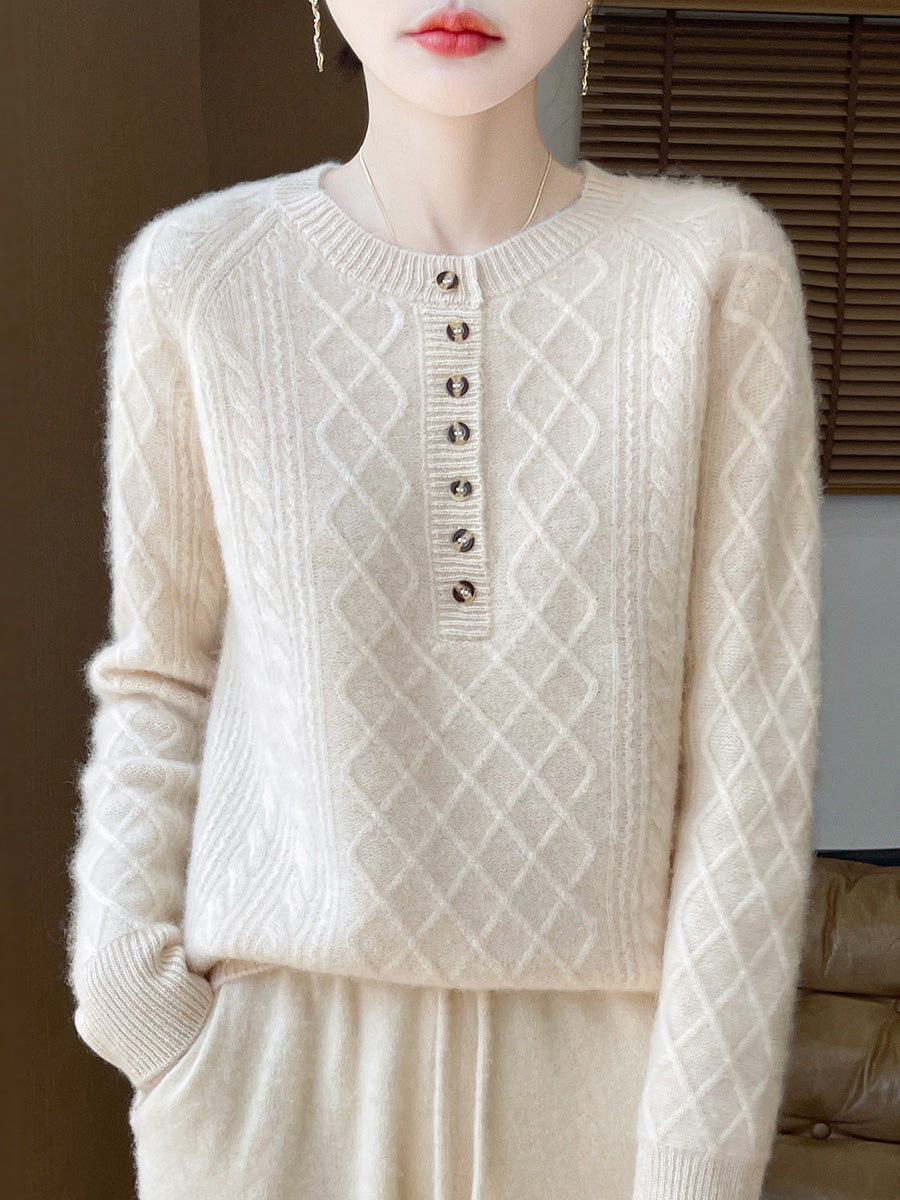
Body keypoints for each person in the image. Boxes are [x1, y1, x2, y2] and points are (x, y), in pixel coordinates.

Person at [64, 3, 824, 1199]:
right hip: (270, 1094)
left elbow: (753, 746)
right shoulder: (201, 274)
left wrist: (696, 1153)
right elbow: (162, 671)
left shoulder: (712, 269)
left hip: (617, 1099)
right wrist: (131, 999)